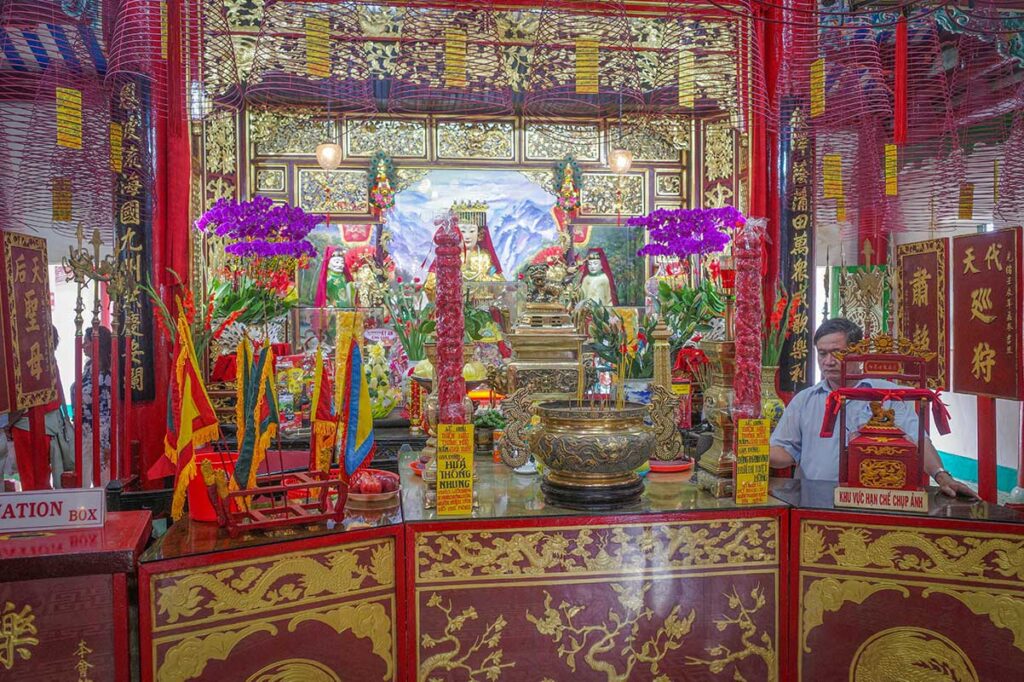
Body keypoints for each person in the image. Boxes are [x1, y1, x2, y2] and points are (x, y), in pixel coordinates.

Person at [769, 318, 977, 498]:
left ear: (858, 353)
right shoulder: (804, 401)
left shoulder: (888, 395)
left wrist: (942, 476)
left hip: (873, 499)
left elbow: (918, 440)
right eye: (822, 354)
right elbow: (785, 453)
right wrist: (750, 453)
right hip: (816, 499)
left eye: (837, 353)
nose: (828, 361)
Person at [7, 325, 74, 489]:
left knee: (30, 477)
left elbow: (23, 403)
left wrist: (8, 424)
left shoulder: (28, 363)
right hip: (50, 425)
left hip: (26, 425)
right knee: (43, 474)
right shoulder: (51, 362)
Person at [72, 325, 113, 484]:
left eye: (86, 341)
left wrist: (108, 436)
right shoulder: (88, 367)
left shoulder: (108, 370)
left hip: (102, 431)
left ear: (97, 343)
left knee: (102, 478)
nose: (83, 345)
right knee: (83, 476)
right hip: (84, 429)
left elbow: (109, 405)